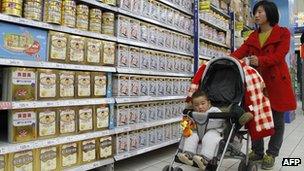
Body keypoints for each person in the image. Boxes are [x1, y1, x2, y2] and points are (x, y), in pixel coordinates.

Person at [230, 1, 297, 169]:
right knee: (254, 117)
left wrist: (260, 60)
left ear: (270, 13)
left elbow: (279, 55)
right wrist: (227, 60)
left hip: (277, 83)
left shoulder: (282, 33)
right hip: (257, 83)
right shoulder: (253, 36)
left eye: (260, 12)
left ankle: (272, 153)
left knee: (278, 121)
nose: (256, 15)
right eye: (255, 12)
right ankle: (257, 151)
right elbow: (239, 52)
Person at [177, 91, 225, 170]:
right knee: (191, 135)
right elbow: (186, 124)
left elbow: (220, 122)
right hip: (199, 133)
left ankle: (204, 159)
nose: (200, 107)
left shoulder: (214, 111)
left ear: (208, 103)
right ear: (193, 106)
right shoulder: (194, 113)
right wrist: (188, 123)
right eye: (196, 105)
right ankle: (188, 155)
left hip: (213, 132)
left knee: (209, 137)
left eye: (203, 104)